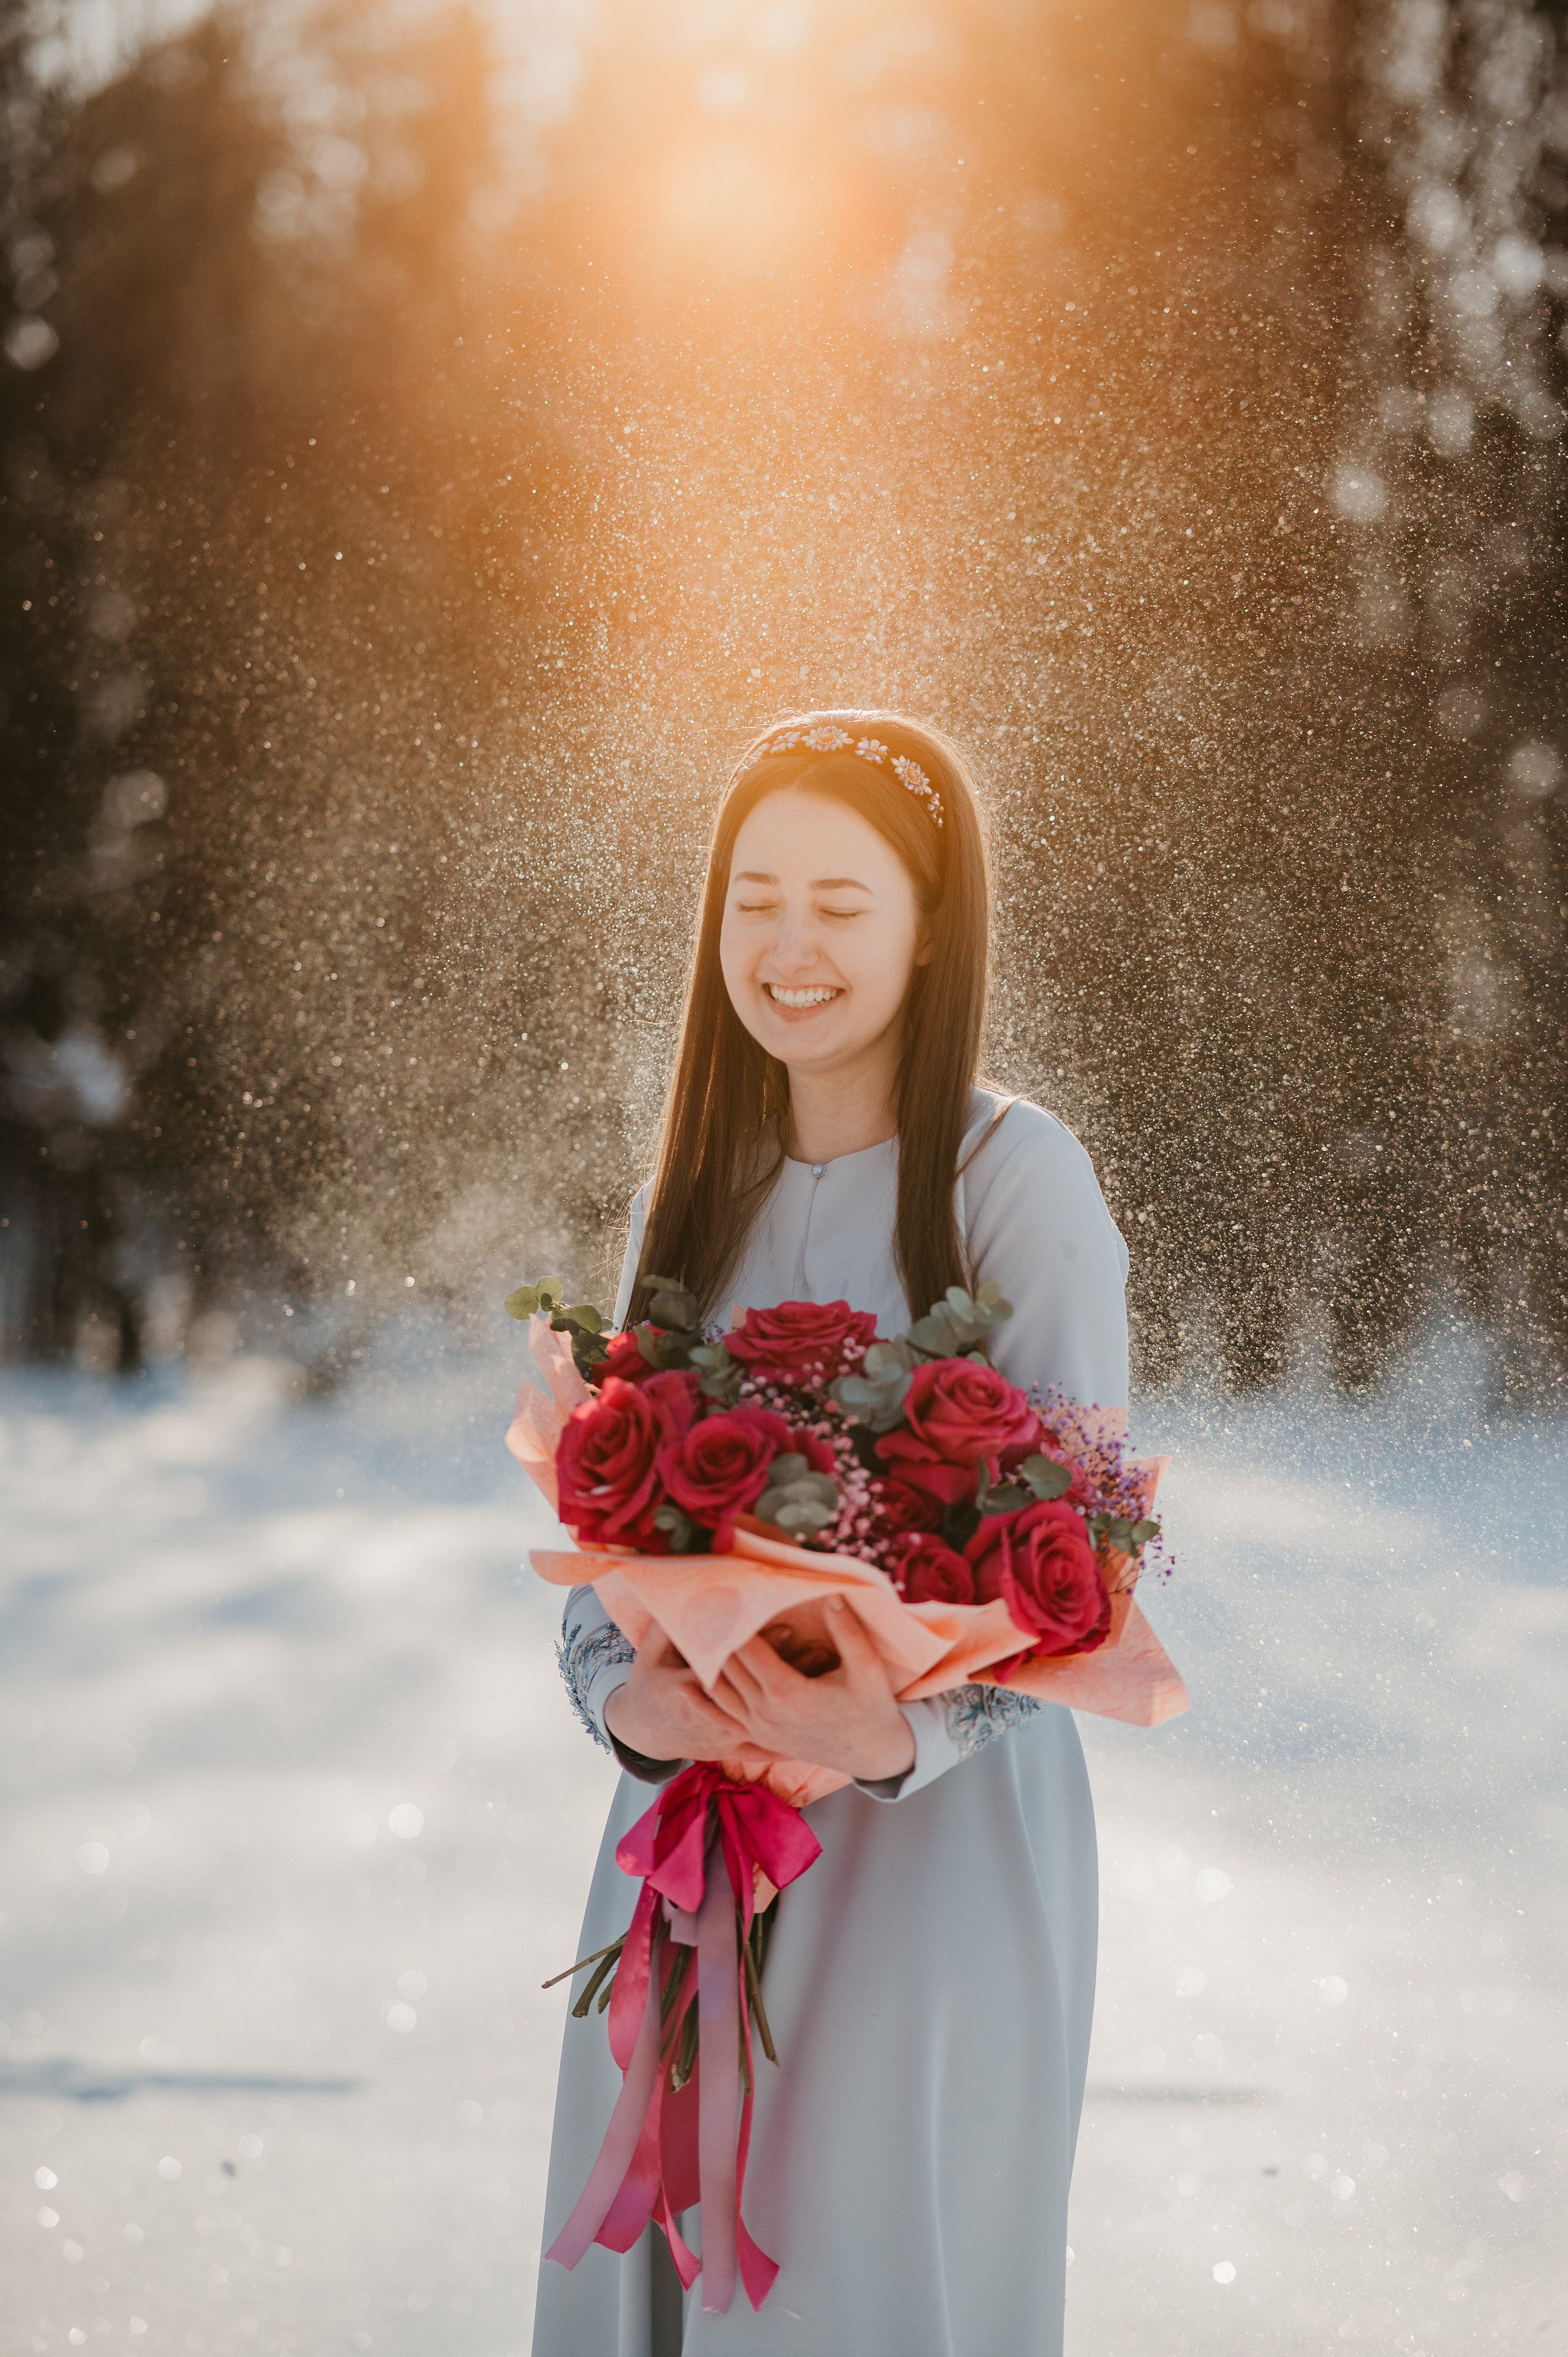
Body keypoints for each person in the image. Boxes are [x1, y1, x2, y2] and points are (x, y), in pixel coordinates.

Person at [531, 713, 1130, 2357]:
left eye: (842, 906)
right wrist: (628, 1703)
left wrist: (894, 1733)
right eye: (756, 900)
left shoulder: (1014, 1178)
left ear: (929, 927)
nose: (789, 949)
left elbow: (1088, 1557)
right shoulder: (691, 1187)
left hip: (935, 1846)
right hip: (685, 1839)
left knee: (861, 2278)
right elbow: (598, 1526)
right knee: (654, 2283)